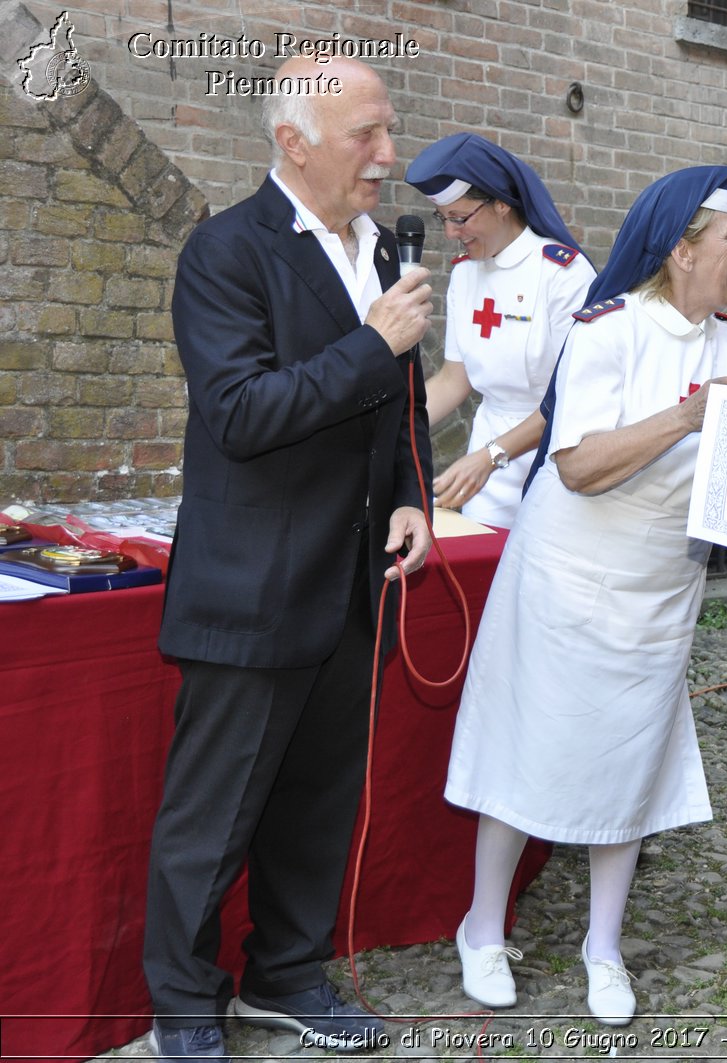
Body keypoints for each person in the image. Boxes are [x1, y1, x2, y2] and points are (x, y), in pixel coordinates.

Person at [144, 56, 434, 1062]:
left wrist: (411, 499)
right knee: (211, 818)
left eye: (387, 132)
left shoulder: (377, 251)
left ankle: (285, 977)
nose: (388, 157)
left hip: (351, 588)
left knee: (316, 804)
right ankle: (183, 1008)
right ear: (293, 141)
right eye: (367, 136)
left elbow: (398, 411)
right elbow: (240, 413)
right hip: (253, 592)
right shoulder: (226, 252)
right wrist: (374, 340)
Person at [443, 166, 727, 1024]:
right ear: (683, 249)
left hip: (661, 584)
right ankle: (482, 924)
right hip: (567, 572)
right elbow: (579, 465)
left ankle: (603, 946)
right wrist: (688, 417)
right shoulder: (608, 331)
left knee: (632, 755)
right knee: (531, 743)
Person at [404, 133, 595, 527]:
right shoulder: (465, 276)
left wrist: (492, 456)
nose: (451, 233)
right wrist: (394, 428)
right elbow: (455, 381)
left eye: (460, 218)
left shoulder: (563, 275)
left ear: (501, 203)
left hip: (557, 459)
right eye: (444, 219)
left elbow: (571, 399)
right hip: (487, 472)